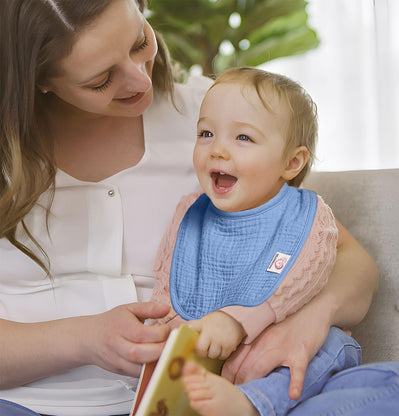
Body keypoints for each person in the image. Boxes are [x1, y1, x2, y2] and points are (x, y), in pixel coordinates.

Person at [0, 0, 378, 415]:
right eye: (101, 80)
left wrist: (307, 324)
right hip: (26, 402)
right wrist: (83, 338)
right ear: (41, 80)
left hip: (207, 397)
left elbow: (341, 255)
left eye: (140, 41)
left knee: (394, 387)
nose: (139, 79)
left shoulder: (218, 115)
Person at [149, 67, 361, 415]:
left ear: (292, 162)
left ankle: (253, 403)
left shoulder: (304, 217)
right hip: (214, 355)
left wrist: (235, 321)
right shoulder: (191, 211)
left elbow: (300, 276)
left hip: (282, 347)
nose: (217, 149)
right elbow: (171, 276)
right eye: (206, 133)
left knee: (333, 346)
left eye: (243, 138)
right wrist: (169, 333)